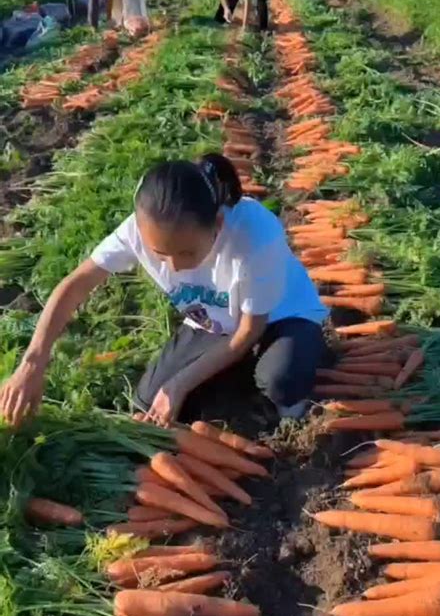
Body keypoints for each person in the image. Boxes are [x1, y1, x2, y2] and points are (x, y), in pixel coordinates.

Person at [0, 155, 329, 429]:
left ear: (216, 225)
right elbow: (75, 285)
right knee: (148, 400)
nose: (172, 268)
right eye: (159, 254)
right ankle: (238, 374)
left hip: (278, 318)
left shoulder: (255, 236)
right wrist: (33, 361)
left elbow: (247, 332)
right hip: (215, 324)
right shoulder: (137, 231)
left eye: (185, 254)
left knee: (281, 380)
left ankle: (287, 371)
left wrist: (182, 382)